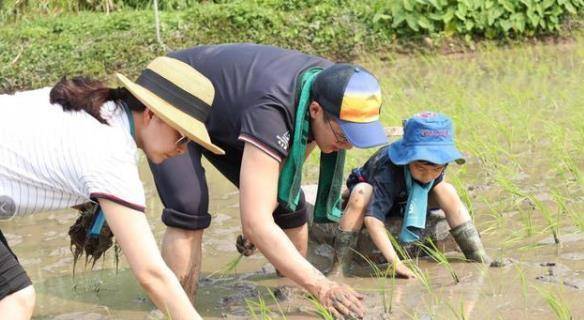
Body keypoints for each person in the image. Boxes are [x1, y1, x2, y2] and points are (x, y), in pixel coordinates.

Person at [147, 43, 388, 318]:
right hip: (175, 92)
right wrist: (322, 285)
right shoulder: (274, 110)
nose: (347, 147)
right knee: (188, 206)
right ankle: (178, 310)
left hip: (230, 112)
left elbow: (288, 172)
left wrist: (263, 216)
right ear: (315, 110)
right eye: (344, 136)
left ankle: (291, 301)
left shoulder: (330, 84)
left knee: (289, 204)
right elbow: (255, 222)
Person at [0, 56, 219, 319]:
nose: (183, 150)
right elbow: (151, 274)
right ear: (151, 114)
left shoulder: (98, 107)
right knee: (15, 299)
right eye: (182, 137)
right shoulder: (112, 153)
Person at [330, 112, 491, 279]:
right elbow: (372, 220)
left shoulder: (437, 167)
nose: (428, 176)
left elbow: (441, 188)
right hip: (378, 194)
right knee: (360, 193)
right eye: (421, 168)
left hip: (408, 198)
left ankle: (476, 254)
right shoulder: (388, 171)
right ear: (407, 159)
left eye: (436, 169)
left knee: (447, 190)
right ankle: (339, 268)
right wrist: (395, 263)